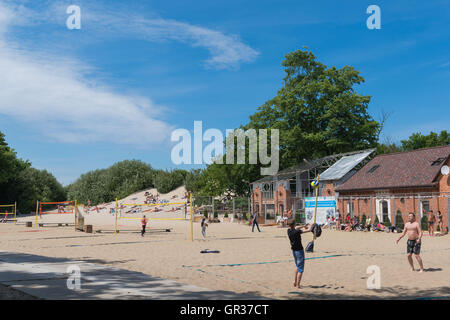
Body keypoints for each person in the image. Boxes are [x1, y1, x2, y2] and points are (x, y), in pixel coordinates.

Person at [287, 218, 314, 289]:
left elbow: (295, 227)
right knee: (301, 269)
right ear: (294, 224)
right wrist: (311, 225)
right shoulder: (297, 232)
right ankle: (298, 285)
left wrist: (303, 225)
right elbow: (308, 230)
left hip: (294, 251)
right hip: (299, 251)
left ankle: (295, 281)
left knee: (297, 266)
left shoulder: (289, 230)